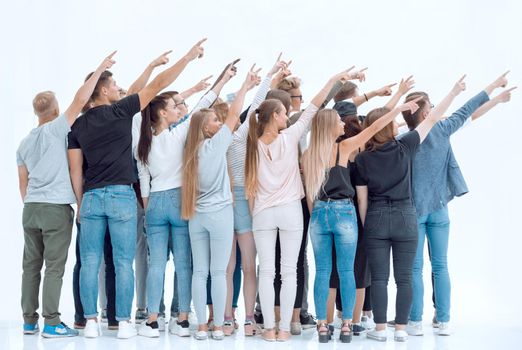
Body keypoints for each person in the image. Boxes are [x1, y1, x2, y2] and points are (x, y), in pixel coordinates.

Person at [67, 38, 207, 339]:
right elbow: (158, 85)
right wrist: (186, 58)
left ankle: (90, 321)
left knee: (90, 261)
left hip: (91, 197)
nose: (120, 88)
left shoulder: (77, 126)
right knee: (122, 261)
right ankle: (125, 323)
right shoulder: (120, 112)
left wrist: (81, 203)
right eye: (114, 84)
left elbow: (75, 169)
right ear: (103, 90)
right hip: (120, 196)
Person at [245, 66, 364, 342]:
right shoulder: (291, 136)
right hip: (290, 213)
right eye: (284, 113)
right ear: (275, 116)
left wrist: (254, 214)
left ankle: (268, 329)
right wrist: (333, 79)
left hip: (262, 213)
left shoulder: (253, 143)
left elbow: (250, 185)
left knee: (267, 271)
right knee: (289, 271)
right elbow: (313, 107)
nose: (289, 116)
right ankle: (285, 328)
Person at [355, 75, 468, 342]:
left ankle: (380, 330)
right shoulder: (405, 146)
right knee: (406, 276)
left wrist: (367, 224)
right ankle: (404, 329)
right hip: (407, 216)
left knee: (380, 278)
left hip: (377, 217)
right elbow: (431, 119)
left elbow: (362, 200)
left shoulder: (361, 158)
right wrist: (453, 92)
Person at [303, 96, 421, 343]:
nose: (343, 124)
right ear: (328, 126)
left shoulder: (308, 154)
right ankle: (347, 325)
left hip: (319, 214)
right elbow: (374, 128)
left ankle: (322, 326)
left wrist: (318, 213)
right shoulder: (343, 148)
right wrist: (396, 109)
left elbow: (310, 195)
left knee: (322, 271)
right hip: (344, 213)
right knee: (347, 270)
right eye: (337, 121)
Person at [404, 72, 513, 337]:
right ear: (425, 112)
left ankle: (415, 321)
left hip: (414, 209)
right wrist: (493, 89)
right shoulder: (443, 129)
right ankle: (443, 321)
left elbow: (469, 115)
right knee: (440, 265)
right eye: (430, 108)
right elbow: (468, 111)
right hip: (440, 206)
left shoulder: (404, 138)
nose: (434, 112)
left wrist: (496, 97)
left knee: (415, 268)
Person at [17, 52, 116, 337]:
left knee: (31, 267)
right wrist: (100, 69)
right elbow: (82, 99)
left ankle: (28, 321)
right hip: (55, 208)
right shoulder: (56, 129)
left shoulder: (24, 143)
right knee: (55, 268)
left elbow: (22, 185)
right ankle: (51, 322)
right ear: (54, 109)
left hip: (31, 208)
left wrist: (33, 203)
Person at [135, 64, 237, 338]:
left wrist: (148, 209)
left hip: (154, 202)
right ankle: (181, 320)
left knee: (156, 263)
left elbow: (144, 182)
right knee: (184, 264)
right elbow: (202, 105)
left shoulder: (143, 143)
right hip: (180, 200)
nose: (178, 110)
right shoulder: (178, 134)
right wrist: (222, 80)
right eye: (172, 106)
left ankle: (152, 320)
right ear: (161, 113)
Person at [181, 67, 259, 340]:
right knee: (218, 271)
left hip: (196, 216)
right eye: (215, 120)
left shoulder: (188, 151)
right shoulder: (216, 146)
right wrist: (245, 86)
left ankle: (202, 326)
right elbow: (236, 113)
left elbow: (197, 113)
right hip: (220, 215)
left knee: (199, 272)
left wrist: (223, 80)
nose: (219, 122)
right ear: (205, 128)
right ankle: (217, 327)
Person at [225, 54, 289, 336]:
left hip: (227, 202)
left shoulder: (233, 137)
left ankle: (228, 318)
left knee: (228, 268)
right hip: (247, 201)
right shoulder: (252, 140)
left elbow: (252, 106)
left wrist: (268, 78)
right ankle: (249, 319)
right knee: (250, 266)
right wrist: (268, 77)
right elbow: (254, 107)